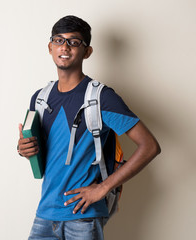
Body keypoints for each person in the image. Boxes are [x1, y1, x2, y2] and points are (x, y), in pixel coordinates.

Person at [17, 15, 161, 240]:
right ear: (50, 47)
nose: (65, 47)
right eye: (59, 40)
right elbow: (48, 154)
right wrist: (25, 150)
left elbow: (150, 146)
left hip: (84, 216)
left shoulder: (102, 97)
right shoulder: (40, 98)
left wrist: (102, 188)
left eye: (74, 42)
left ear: (87, 51)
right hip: (45, 213)